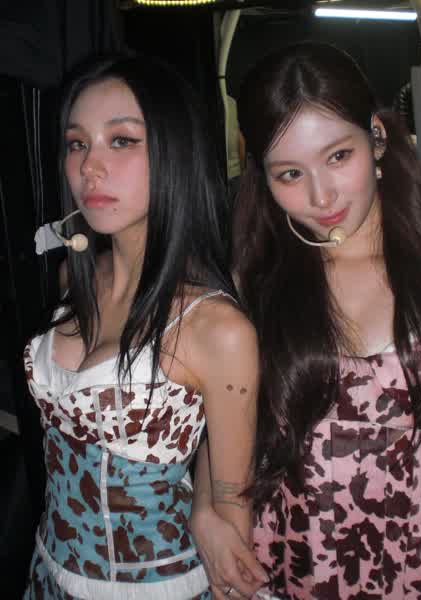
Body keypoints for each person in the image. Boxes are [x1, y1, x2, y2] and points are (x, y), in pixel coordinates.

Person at [191, 42, 421, 599]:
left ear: (376, 136)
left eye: (338, 156)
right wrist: (204, 508)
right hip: (292, 561)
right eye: (290, 173)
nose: (321, 194)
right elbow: (229, 414)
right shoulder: (254, 281)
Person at [23, 55, 259, 600]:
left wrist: (208, 510)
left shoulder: (217, 327)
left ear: (174, 152)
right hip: (47, 569)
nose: (90, 167)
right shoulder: (74, 279)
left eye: (122, 140)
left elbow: (233, 515)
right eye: (77, 143)